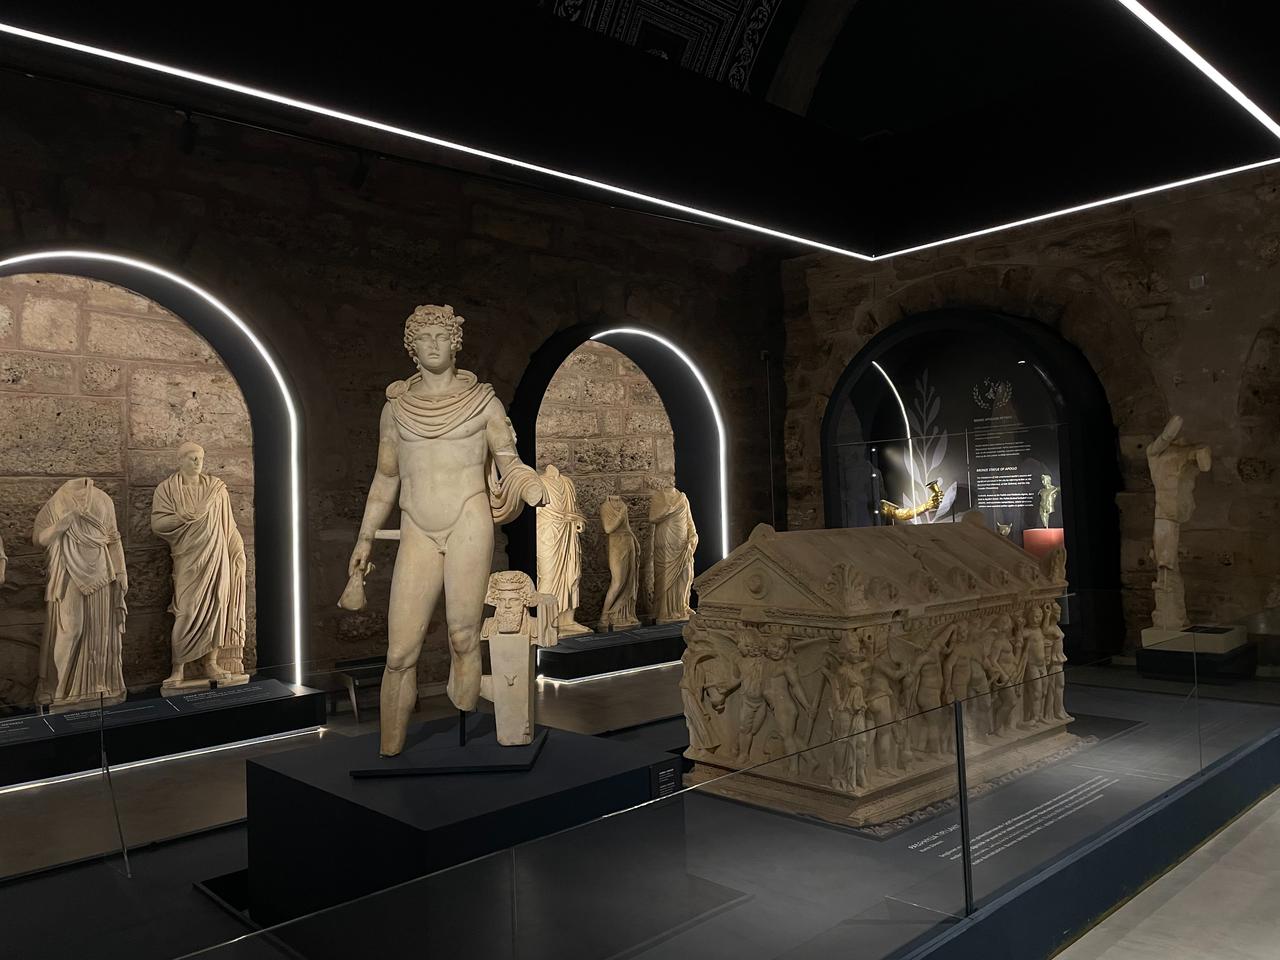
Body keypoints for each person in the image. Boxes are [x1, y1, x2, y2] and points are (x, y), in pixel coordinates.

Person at [348, 305, 544, 756]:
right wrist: (365, 537)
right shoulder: (396, 409)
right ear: (412, 348)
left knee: (463, 635)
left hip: (467, 519)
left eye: (441, 336)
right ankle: (390, 747)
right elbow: (385, 478)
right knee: (399, 652)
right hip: (417, 524)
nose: (433, 344)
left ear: (454, 344)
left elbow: (509, 461)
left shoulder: (483, 403)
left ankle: (466, 711)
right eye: (424, 337)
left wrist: (529, 484)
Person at [151, 442, 247, 685]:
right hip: (188, 559)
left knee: (217, 607)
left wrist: (237, 550)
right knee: (187, 610)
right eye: (192, 457)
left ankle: (211, 663)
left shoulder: (216, 489)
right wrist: (182, 517)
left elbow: (229, 526)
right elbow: (158, 525)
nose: (197, 462)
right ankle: (178, 668)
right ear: (180, 460)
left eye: (200, 458)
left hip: (217, 557)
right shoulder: (167, 489)